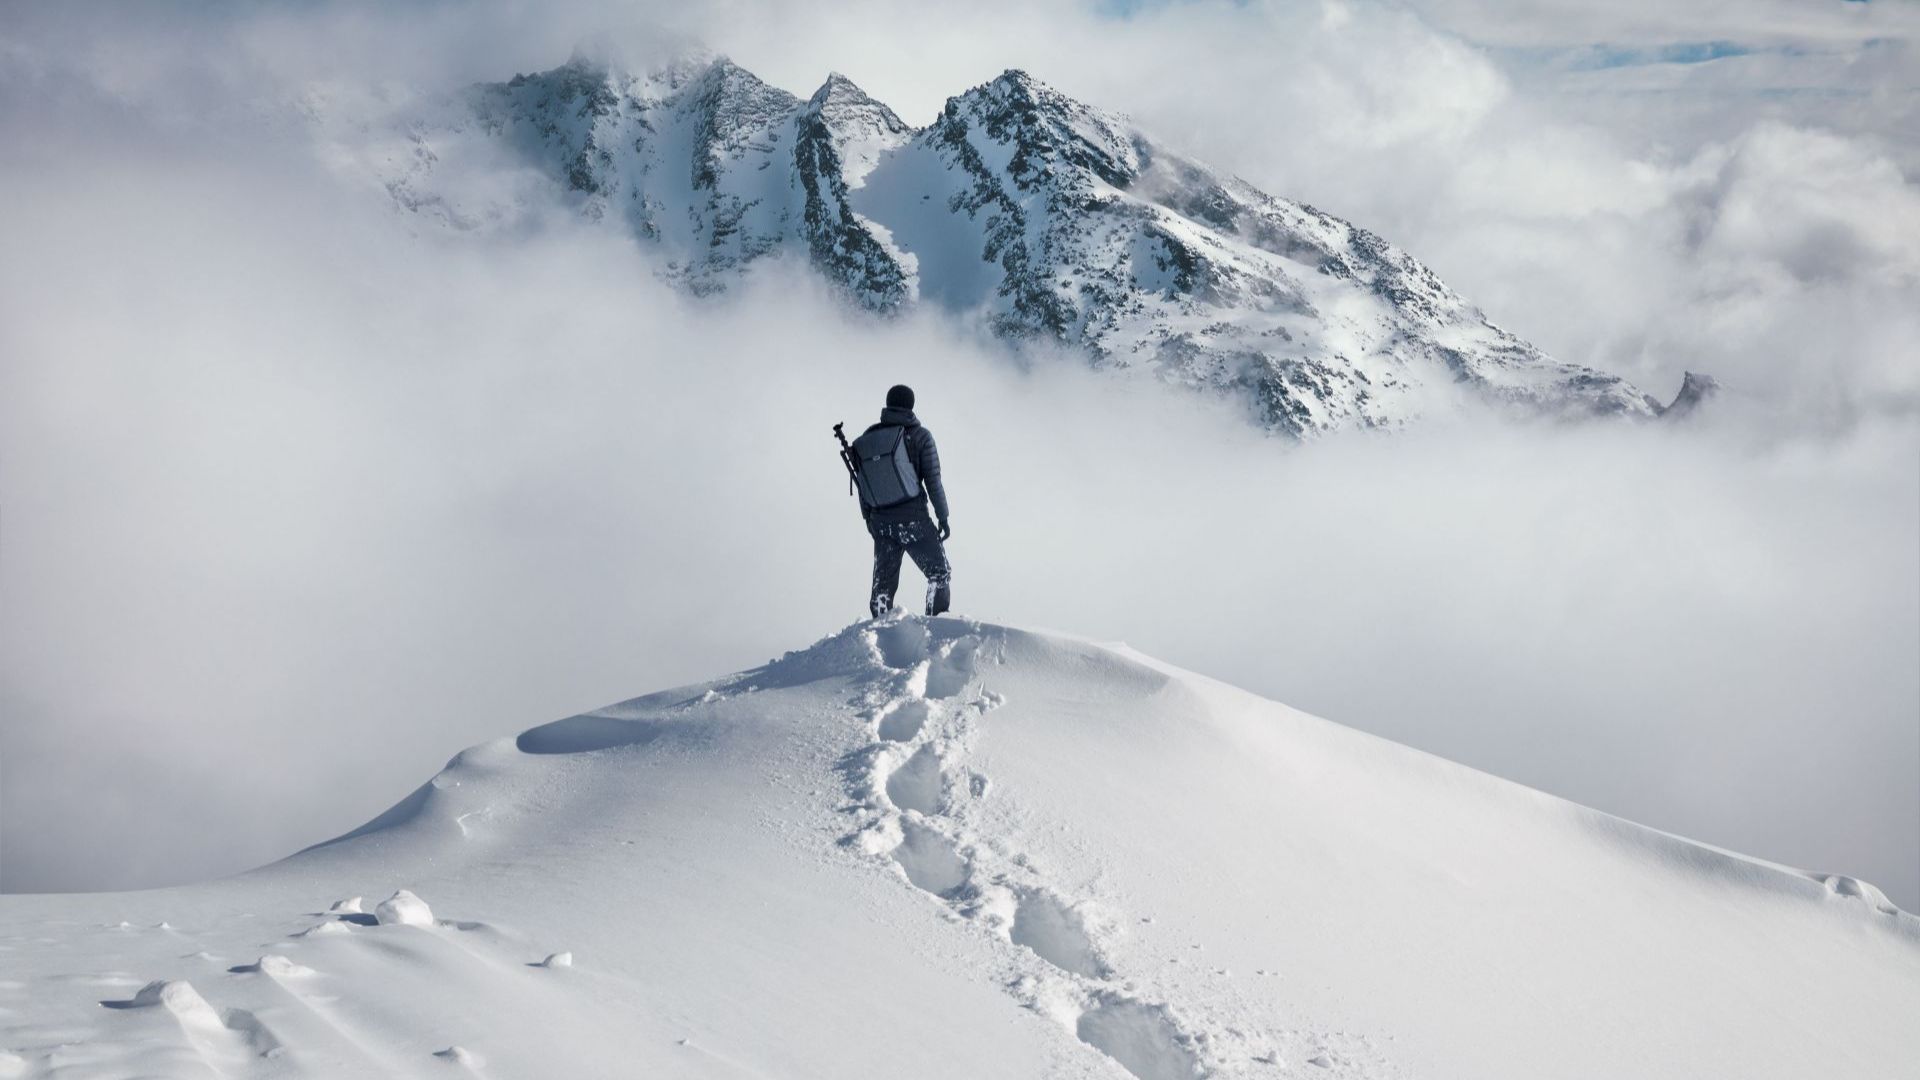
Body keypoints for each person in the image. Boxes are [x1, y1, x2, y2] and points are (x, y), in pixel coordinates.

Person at [859, 384, 951, 618]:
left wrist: (869, 520)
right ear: (911, 405)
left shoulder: (870, 437)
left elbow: (863, 484)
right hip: (913, 520)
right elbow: (933, 481)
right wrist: (943, 516)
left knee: (883, 585)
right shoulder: (920, 436)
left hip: (881, 522)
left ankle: (878, 629)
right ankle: (936, 625)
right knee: (939, 573)